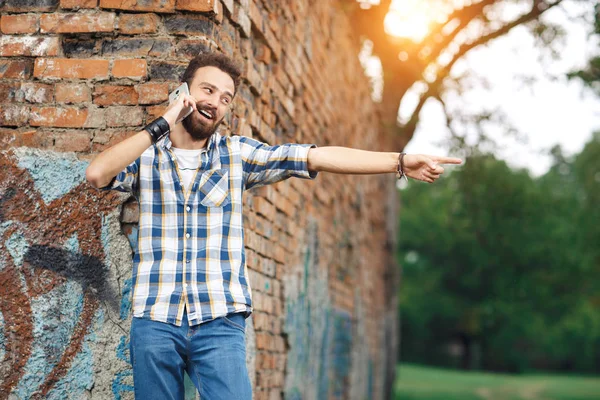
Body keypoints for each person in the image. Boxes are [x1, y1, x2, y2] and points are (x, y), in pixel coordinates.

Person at [85, 52, 462, 400]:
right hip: (154, 320)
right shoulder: (145, 158)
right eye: (208, 90)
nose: (216, 101)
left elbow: (316, 156)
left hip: (218, 321)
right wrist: (165, 121)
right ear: (183, 91)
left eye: (226, 98)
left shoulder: (237, 155)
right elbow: (97, 174)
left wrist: (399, 161)